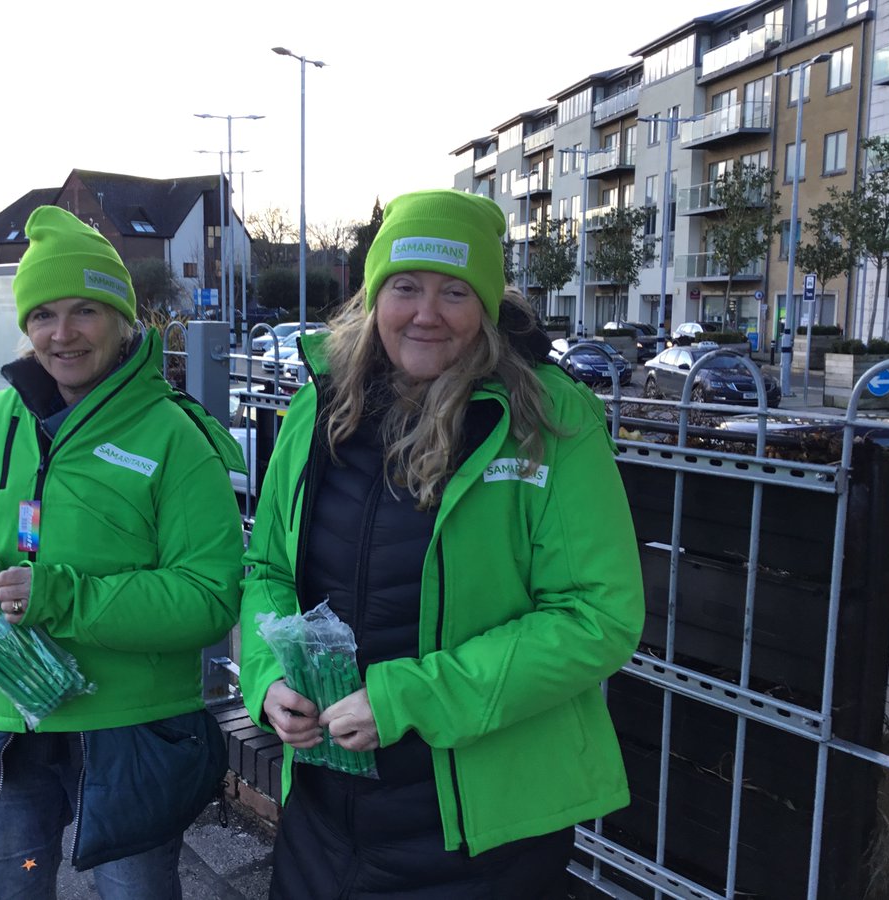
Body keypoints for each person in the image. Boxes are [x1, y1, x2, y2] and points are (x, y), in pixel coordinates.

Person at [238, 189, 644, 898]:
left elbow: (597, 617)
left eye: (454, 291)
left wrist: (406, 699)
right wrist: (268, 677)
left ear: (486, 306)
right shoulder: (319, 406)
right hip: (327, 814)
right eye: (405, 287)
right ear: (374, 299)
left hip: (481, 836)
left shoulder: (547, 420)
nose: (426, 312)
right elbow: (267, 569)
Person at [0, 205, 245, 899]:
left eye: (86, 310)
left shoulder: (174, 437)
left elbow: (209, 597)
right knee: (17, 885)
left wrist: (63, 596)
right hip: (5, 733)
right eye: (44, 314)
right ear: (25, 327)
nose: (63, 334)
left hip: (127, 741)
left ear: (124, 320)